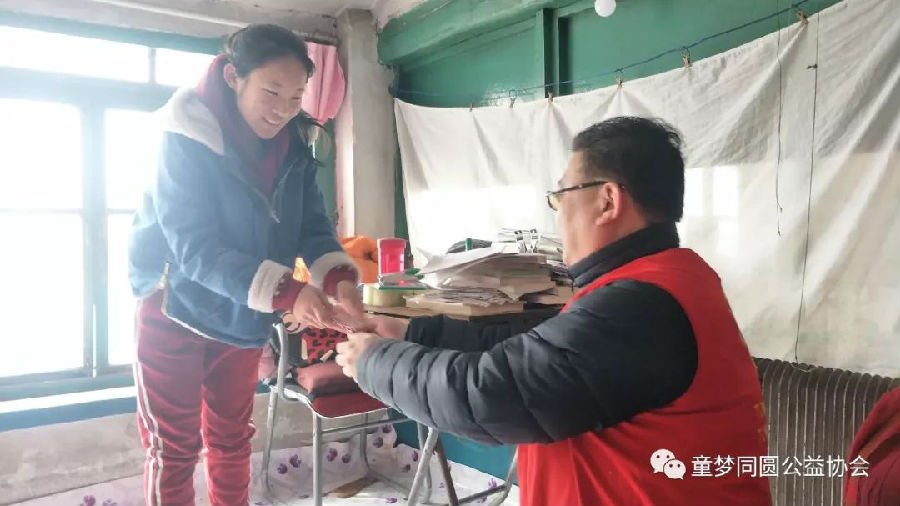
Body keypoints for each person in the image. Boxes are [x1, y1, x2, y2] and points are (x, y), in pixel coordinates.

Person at [336, 117, 772, 505]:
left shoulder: (641, 306)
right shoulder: (659, 282)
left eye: (562, 194)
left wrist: (373, 361)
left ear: (607, 201)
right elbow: (533, 348)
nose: (558, 213)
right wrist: (410, 333)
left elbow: (490, 394)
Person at [128, 24, 362, 506]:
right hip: (175, 306)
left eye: (295, 97)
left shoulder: (294, 144)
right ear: (234, 77)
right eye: (271, 92)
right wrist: (291, 292)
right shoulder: (186, 137)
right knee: (174, 447)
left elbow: (312, 226)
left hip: (242, 310)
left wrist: (339, 281)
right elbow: (194, 249)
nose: (282, 109)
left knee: (232, 439)